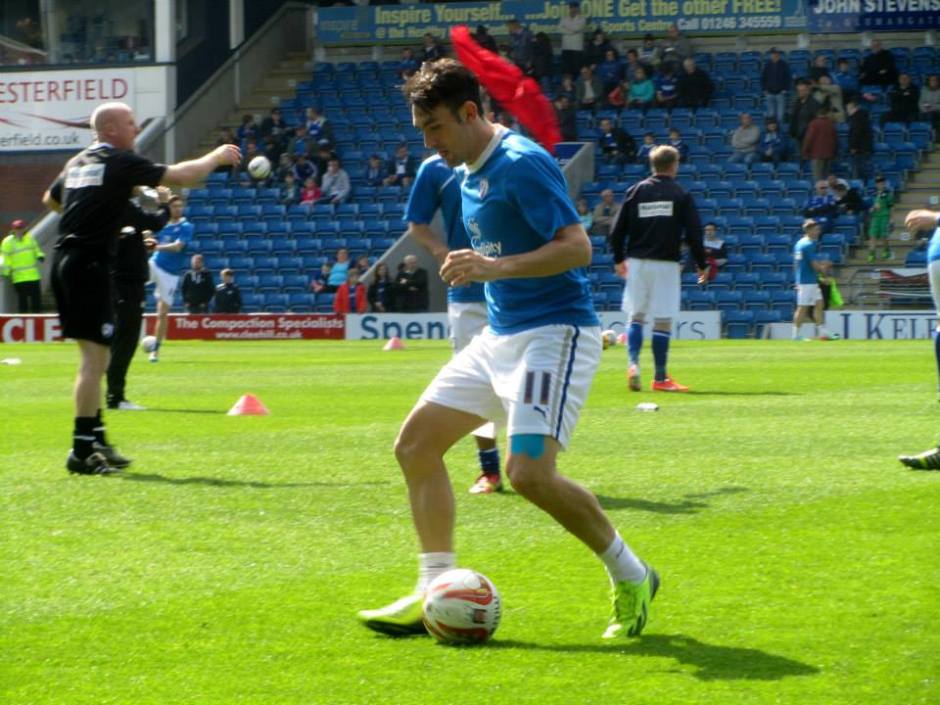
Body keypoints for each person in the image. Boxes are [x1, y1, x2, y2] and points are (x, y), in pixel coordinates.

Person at [358, 58, 659, 641]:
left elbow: (577, 248)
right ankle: (432, 587)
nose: (429, 143)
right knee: (415, 445)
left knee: (528, 475)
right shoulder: (464, 170)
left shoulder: (521, 162)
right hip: (498, 336)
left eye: (436, 127)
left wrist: (494, 267)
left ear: (470, 112)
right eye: (421, 131)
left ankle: (633, 575)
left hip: (553, 335)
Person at [41, 101, 241, 475]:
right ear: (110, 129)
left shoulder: (79, 162)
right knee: (93, 362)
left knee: (96, 359)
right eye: (130, 123)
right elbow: (181, 176)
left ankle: (96, 439)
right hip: (89, 263)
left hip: (66, 260)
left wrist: (97, 212)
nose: (136, 128)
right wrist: (216, 156)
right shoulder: (119, 160)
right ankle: (81, 451)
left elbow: (51, 200)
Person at [406, 149, 508, 494]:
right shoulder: (435, 168)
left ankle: (532, 464)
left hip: (514, 285)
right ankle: (490, 470)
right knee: (477, 383)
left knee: (523, 377)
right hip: (467, 292)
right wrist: (441, 253)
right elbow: (417, 223)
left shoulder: (510, 157)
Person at [610, 144, 707, 393]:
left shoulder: (635, 191)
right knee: (662, 320)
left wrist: (619, 259)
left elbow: (616, 230)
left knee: (636, 316)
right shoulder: (680, 194)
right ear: (674, 165)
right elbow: (694, 234)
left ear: (652, 165)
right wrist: (701, 264)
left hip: (638, 262)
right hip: (666, 263)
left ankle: (633, 364)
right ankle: (660, 377)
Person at [106, 188, 171, 412]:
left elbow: (125, 237)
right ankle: (115, 396)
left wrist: (139, 242)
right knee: (126, 339)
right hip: (127, 283)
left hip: (120, 281)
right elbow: (156, 222)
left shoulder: (110, 207)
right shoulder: (123, 206)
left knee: (120, 339)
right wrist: (164, 204)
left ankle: (114, 393)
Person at [147, 195, 193, 362]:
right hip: (155, 264)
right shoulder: (163, 224)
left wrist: (156, 246)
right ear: (169, 208)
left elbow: (177, 247)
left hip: (171, 274)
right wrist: (146, 237)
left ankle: (155, 351)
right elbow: (150, 237)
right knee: (133, 278)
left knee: (163, 313)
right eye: (174, 206)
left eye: (180, 206)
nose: (178, 209)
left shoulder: (186, 226)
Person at [792, 219, 833, 340]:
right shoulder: (808, 245)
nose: (818, 232)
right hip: (807, 282)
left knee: (819, 304)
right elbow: (814, 265)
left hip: (808, 281)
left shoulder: (799, 243)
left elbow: (797, 264)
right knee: (802, 308)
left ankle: (822, 333)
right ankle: (795, 335)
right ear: (809, 230)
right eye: (816, 230)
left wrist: (797, 280)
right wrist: (825, 274)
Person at [1, 218, 44, 312]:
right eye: (17, 229)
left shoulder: (30, 238)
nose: (19, 231)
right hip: (19, 278)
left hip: (33, 276)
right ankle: (23, 318)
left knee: (36, 300)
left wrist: (40, 255)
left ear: (24, 229)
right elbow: (5, 258)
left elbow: (36, 249)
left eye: (20, 228)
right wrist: (5, 272)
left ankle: (37, 318)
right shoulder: (7, 242)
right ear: (13, 230)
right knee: (23, 301)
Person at [801, 108, 838, 182]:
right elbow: (835, 140)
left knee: (817, 180)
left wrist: (805, 152)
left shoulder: (814, 123)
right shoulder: (830, 124)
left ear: (818, 114)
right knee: (826, 180)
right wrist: (833, 153)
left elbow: (809, 139)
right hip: (828, 155)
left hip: (817, 155)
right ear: (826, 114)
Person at [867, 175, 894, 263]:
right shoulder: (873, 194)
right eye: (878, 183)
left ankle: (886, 250)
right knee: (872, 236)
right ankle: (871, 254)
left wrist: (891, 219)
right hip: (875, 217)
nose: (880, 184)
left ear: (884, 183)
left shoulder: (887, 193)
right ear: (876, 184)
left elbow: (891, 207)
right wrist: (872, 209)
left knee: (883, 235)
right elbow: (871, 207)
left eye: (882, 183)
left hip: (884, 216)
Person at [788, 80, 820, 153]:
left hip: (809, 136)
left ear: (808, 91)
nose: (800, 92)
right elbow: (793, 118)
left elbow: (815, 121)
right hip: (798, 135)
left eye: (802, 90)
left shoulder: (814, 103)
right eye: (798, 91)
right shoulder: (796, 102)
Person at [845, 99, 873, 181]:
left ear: (854, 108)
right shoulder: (863, 116)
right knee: (863, 168)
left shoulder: (856, 118)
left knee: (859, 170)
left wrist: (853, 146)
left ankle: (861, 184)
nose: (847, 111)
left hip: (859, 149)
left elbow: (856, 133)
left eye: (848, 109)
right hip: (865, 147)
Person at [558, 2, 586, 79]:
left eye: (574, 8)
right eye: (571, 8)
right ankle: (567, 84)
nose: (573, 9)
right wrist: (571, 32)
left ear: (577, 9)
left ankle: (576, 84)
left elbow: (577, 28)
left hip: (577, 48)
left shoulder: (582, 19)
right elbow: (559, 29)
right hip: (566, 48)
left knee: (577, 69)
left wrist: (566, 27)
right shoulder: (564, 18)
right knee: (566, 70)